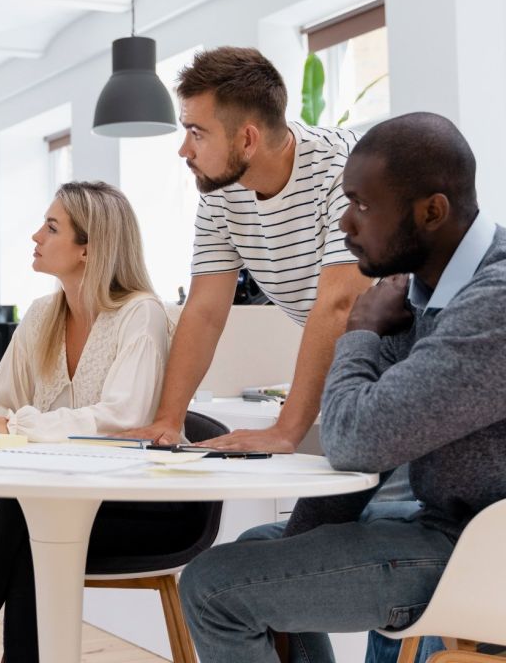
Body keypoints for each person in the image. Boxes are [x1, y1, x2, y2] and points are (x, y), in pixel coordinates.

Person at [177, 112, 506, 663]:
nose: (346, 225)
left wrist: (359, 330)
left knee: (215, 588)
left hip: (483, 554)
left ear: (432, 211)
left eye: (362, 206)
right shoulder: (420, 294)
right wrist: (297, 543)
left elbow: (356, 441)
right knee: (258, 549)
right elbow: (366, 441)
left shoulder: (493, 300)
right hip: (447, 529)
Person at [0, 181, 175, 662]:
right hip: (58, 501)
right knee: (34, 518)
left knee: (30, 516)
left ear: (88, 248)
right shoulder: (42, 315)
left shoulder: (139, 314)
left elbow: (123, 418)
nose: (36, 236)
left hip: (136, 506)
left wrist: (16, 427)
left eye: (52, 227)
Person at [122, 46, 372, 453]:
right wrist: (168, 421)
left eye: (197, 133)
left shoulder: (345, 170)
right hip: (360, 362)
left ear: (248, 139)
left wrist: (285, 431)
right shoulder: (222, 190)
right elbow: (204, 311)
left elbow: (340, 305)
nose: (184, 149)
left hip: (425, 350)